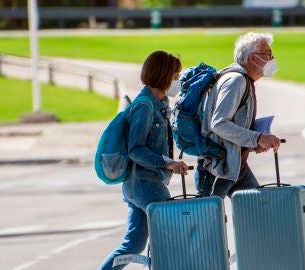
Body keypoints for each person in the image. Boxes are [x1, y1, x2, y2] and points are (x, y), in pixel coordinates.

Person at [99, 51, 188, 270]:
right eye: (175, 76)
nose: (177, 81)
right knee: (174, 236)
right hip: (145, 184)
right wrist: (167, 163)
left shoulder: (158, 104)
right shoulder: (144, 106)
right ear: (163, 75)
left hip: (137, 184)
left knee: (133, 245)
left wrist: (171, 163)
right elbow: (135, 149)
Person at [194, 32, 281, 199]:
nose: (272, 58)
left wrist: (254, 142)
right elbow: (219, 124)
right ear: (253, 58)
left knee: (256, 211)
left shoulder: (242, 80)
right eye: (268, 54)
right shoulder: (236, 81)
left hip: (234, 166)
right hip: (217, 169)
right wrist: (257, 138)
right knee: (206, 222)